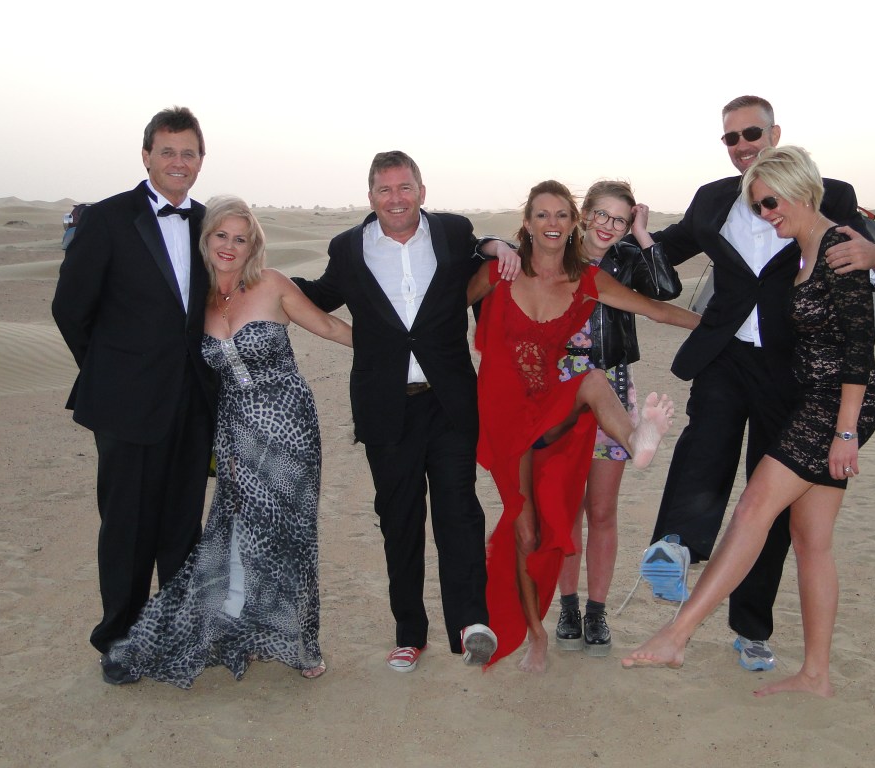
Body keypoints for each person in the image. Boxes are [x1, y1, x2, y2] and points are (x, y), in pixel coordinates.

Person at [644, 95, 875, 672]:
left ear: (775, 133)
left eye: (751, 133)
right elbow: (670, 246)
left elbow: (869, 266)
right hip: (727, 350)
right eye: (730, 138)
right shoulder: (712, 198)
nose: (742, 146)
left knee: (773, 503)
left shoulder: (830, 194)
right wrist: (621, 235)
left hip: (792, 367)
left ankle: (751, 628)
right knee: (706, 436)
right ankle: (675, 545)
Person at [105, 196, 352, 687]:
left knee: (291, 534)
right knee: (239, 531)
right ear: (207, 239)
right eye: (222, 235)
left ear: (253, 246)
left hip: (289, 426)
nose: (230, 246)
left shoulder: (272, 285)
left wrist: (398, 352)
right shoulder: (194, 299)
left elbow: (328, 326)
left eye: (241, 239)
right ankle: (248, 630)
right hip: (235, 431)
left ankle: (302, 643)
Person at [292, 151, 518, 673]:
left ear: (421, 190)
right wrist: (267, 283)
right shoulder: (348, 247)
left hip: (449, 400)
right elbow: (322, 295)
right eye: (385, 189)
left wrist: (498, 245)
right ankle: (409, 633)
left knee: (459, 510)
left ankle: (470, 623)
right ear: (371, 196)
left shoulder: (451, 231)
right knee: (400, 521)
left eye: (405, 187)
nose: (396, 199)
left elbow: (481, 249)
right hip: (386, 405)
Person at [468, 180, 699, 673]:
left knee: (594, 385)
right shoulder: (499, 271)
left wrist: (724, 329)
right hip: (509, 416)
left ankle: (635, 438)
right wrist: (488, 245)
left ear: (573, 223)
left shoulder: (591, 277)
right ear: (528, 223)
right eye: (542, 214)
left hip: (565, 401)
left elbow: (658, 306)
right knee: (526, 528)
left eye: (561, 215)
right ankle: (538, 633)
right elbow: (439, 311)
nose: (552, 223)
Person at [51, 107, 218, 682]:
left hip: (192, 405)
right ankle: (119, 640)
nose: (178, 162)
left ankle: (173, 635)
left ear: (201, 161)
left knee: (181, 529)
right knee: (126, 527)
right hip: (125, 405)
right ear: (146, 156)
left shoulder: (208, 223)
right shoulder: (107, 218)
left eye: (188, 153)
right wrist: (113, 372)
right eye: (167, 151)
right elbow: (70, 308)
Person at [554, 180, 681, 657]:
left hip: (613, 385)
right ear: (584, 213)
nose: (609, 226)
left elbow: (666, 289)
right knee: (566, 509)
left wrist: (645, 235)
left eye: (621, 220)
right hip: (561, 390)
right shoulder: (555, 253)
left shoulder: (626, 258)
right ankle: (567, 607)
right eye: (602, 215)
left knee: (602, 510)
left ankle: (597, 611)